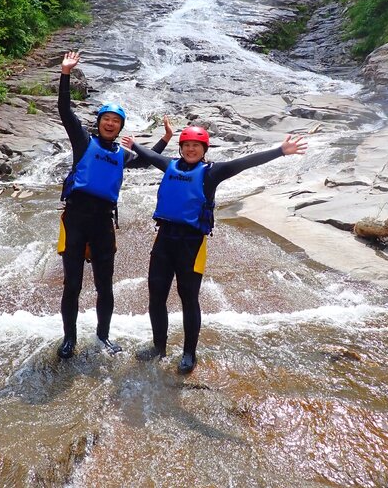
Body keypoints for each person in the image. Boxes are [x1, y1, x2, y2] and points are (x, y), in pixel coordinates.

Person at [121, 126, 307, 374]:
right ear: (181, 148)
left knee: (189, 299)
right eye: (186, 145)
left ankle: (189, 353)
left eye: (196, 146)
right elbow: (151, 156)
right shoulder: (170, 166)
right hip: (164, 240)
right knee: (156, 297)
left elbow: (244, 162)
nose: (190, 149)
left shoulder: (212, 173)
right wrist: (134, 145)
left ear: (204, 150)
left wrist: (280, 151)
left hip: (192, 244)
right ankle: (159, 347)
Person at [56, 50, 172, 359]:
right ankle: (69, 338)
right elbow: (65, 112)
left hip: (103, 222)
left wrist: (165, 140)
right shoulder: (83, 142)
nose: (110, 124)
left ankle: (103, 336)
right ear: (100, 122)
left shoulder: (122, 154)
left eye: (116, 121)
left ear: (120, 128)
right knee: (73, 283)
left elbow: (146, 162)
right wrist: (66, 74)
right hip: (76, 218)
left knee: (105, 285)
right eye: (106, 119)